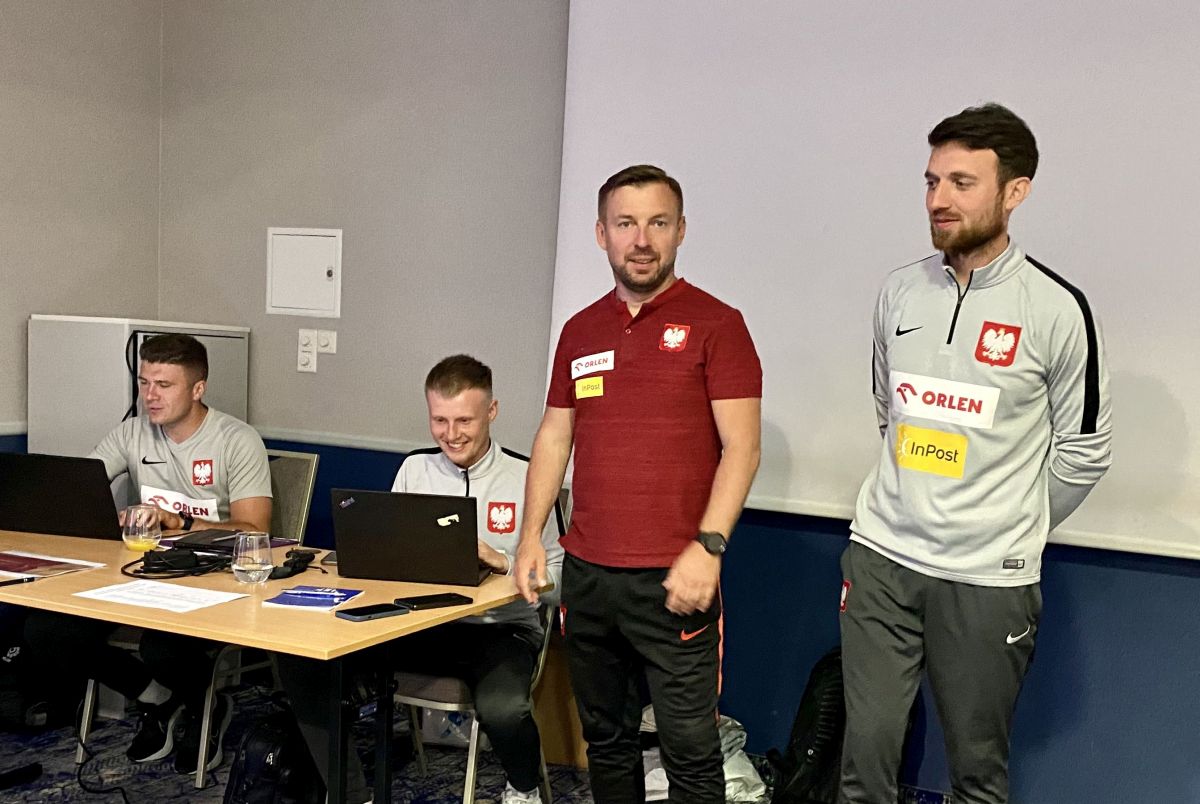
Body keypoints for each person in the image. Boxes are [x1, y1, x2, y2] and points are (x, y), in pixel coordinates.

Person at [838, 103, 1113, 803]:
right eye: (932, 181)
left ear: (1015, 192)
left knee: (975, 775)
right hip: (882, 558)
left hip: (987, 580)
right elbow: (891, 412)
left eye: (962, 183)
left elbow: (1084, 451)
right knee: (864, 761)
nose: (939, 199)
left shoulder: (1056, 308)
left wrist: (1008, 520)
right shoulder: (900, 290)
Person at [514, 164, 762, 803]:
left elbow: (742, 448)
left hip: (676, 579)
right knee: (607, 743)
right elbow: (554, 436)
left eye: (658, 223)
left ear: (681, 231)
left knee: (691, 755)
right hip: (589, 578)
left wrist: (708, 548)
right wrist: (531, 537)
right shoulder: (580, 330)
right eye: (626, 224)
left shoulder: (718, 324)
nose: (642, 239)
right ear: (602, 234)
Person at [277, 354, 563, 804]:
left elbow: (564, 582)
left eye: (464, 420)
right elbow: (388, 562)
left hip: (501, 631)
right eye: (439, 420)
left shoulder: (529, 477)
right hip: (415, 626)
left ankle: (523, 788)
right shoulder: (414, 469)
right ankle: (350, 794)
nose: (451, 434)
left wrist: (504, 562)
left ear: (492, 411)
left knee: (504, 708)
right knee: (304, 660)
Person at [24, 333, 272, 774]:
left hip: (212, 580)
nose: (150, 395)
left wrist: (181, 522)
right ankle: (157, 698)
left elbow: (255, 530)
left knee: (161, 646)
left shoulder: (237, 439)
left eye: (164, 384)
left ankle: (206, 707)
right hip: (141, 573)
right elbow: (79, 489)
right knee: (47, 631)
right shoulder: (132, 432)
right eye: (144, 383)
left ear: (197, 389)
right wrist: (100, 514)